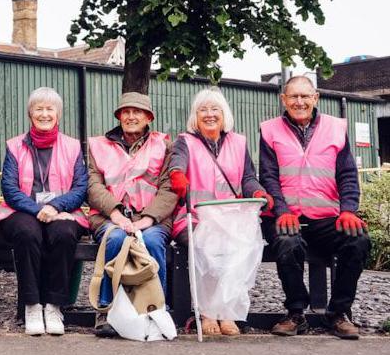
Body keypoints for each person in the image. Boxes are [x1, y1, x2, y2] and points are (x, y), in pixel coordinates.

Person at [260, 76, 370, 340]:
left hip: (327, 216)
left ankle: (339, 312)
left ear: (315, 98)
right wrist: (282, 210)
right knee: (287, 244)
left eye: (305, 96)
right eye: (293, 97)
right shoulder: (269, 129)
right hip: (288, 216)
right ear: (283, 99)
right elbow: (269, 176)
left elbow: (347, 174)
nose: (299, 102)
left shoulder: (335, 127)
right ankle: (296, 312)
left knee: (358, 241)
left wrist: (349, 210)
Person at [168, 87, 273, 336]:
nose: (209, 114)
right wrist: (177, 175)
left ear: (224, 113)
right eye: (203, 109)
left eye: (214, 109)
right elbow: (177, 163)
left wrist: (258, 192)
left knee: (241, 248)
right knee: (208, 248)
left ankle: (227, 312)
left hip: (231, 216)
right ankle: (206, 313)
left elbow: (248, 177)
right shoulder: (185, 141)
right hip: (194, 215)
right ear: (196, 115)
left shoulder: (238, 142)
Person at [0, 86, 89, 336]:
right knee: (27, 233)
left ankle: (55, 305)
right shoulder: (15, 146)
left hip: (63, 211)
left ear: (58, 114)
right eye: (39, 109)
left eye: (50, 109)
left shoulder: (72, 146)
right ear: (30, 114)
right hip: (22, 210)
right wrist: (39, 210)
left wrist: (55, 206)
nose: (44, 114)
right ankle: (32, 304)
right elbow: (10, 189)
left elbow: (80, 187)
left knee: (65, 234)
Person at [87, 92, 177, 338]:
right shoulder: (97, 145)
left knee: (151, 242)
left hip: (152, 218)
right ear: (118, 116)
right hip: (109, 217)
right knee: (115, 239)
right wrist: (117, 215)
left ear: (149, 117)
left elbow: (169, 188)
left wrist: (147, 220)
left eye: (137, 112)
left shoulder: (165, 145)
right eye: (125, 112)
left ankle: (156, 310)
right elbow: (93, 186)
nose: (131, 116)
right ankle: (106, 310)